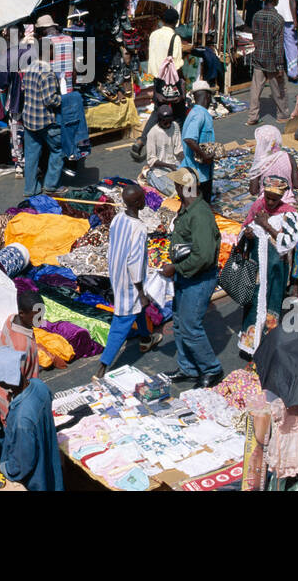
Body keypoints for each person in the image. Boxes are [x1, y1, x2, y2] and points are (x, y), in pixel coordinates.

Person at [97, 184, 163, 378]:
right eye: (143, 198)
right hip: (130, 281)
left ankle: (145, 338)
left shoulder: (118, 218)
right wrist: (141, 292)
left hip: (116, 274)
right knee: (123, 320)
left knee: (138, 310)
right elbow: (135, 262)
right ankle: (102, 366)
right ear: (138, 202)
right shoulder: (139, 228)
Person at [163, 167, 222, 386]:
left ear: (184, 187)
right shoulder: (187, 209)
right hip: (186, 274)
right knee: (179, 322)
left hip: (198, 278)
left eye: (177, 185)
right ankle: (188, 368)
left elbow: (204, 255)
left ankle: (211, 368)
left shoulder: (200, 214)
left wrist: (176, 269)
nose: (175, 189)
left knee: (190, 326)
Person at [237, 176, 298, 354]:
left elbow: (289, 241)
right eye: (268, 198)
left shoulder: (289, 214)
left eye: (275, 199)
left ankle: (267, 346)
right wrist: (248, 234)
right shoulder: (257, 206)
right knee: (253, 303)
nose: (271, 202)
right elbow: (244, 229)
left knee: (273, 302)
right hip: (257, 269)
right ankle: (250, 345)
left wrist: (266, 225)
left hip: (275, 270)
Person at [0, 373, 63, 492]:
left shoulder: (22, 419)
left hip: (35, 479)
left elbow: (22, 463)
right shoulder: (39, 385)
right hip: (48, 461)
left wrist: (5, 468)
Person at [20, 51, 63, 197]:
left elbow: (24, 88)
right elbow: (50, 100)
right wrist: (63, 99)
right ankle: (50, 185)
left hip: (29, 118)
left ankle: (30, 189)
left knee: (31, 155)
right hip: (44, 121)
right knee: (58, 150)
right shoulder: (48, 73)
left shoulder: (30, 68)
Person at [247, 0, 291, 122]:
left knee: (255, 89)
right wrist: (280, 66)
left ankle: (252, 117)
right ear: (275, 0)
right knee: (278, 89)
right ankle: (282, 115)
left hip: (258, 56)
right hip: (272, 60)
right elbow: (278, 45)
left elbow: (254, 36)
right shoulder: (278, 19)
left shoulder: (256, 16)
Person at [181, 79, 217, 203]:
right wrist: (205, 156)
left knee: (189, 204)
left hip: (195, 172)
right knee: (198, 204)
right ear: (208, 96)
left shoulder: (196, 112)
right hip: (197, 174)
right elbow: (189, 139)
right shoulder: (200, 115)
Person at [141, 104, 183, 195]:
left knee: (190, 186)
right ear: (159, 120)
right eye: (165, 123)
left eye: (169, 122)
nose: (168, 125)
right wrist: (169, 166)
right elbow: (151, 159)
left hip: (175, 164)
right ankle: (149, 176)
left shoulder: (175, 126)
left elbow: (178, 148)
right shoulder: (153, 133)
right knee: (174, 191)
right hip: (159, 169)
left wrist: (185, 159)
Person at [145, 7, 186, 85]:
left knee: (158, 96)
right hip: (169, 80)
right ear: (176, 21)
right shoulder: (175, 38)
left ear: (163, 21)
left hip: (156, 79)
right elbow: (177, 63)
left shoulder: (153, 34)